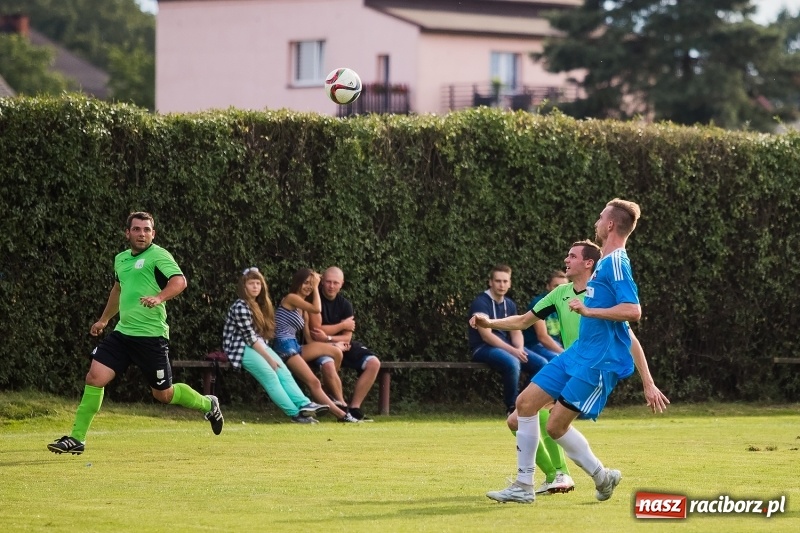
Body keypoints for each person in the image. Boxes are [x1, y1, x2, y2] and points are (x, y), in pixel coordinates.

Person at [473, 199, 669, 504]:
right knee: (524, 405)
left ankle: (600, 476)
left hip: (597, 360)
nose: (596, 221)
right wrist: (489, 321)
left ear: (610, 225)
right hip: (576, 353)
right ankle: (524, 486)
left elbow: (633, 311)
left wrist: (590, 314)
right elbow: (525, 319)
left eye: (601, 216)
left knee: (555, 426)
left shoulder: (616, 262)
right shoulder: (603, 263)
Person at [47, 212, 224, 455]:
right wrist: (104, 319)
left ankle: (208, 403)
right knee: (94, 377)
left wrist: (159, 297)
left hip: (151, 338)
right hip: (123, 335)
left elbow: (180, 281)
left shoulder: (158, 255)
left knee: (163, 394)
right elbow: (118, 290)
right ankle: (77, 438)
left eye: (147, 230)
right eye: (137, 229)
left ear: (154, 233)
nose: (142, 234)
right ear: (127, 233)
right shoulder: (120, 259)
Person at [222, 267, 330, 424]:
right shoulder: (241, 306)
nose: (255, 287)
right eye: (251, 283)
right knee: (270, 375)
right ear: (244, 286)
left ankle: (304, 404)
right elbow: (250, 338)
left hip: (257, 345)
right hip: (240, 348)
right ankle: (295, 414)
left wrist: (271, 357)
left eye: (258, 283)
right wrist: (269, 358)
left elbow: (259, 338)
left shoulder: (259, 305)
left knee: (283, 372)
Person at [272, 268, 360, 423]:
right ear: (298, 283)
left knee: (335, 353)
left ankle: (332, 396)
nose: (308, 287)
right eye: (306, 283)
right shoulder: (291, 298)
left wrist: (334, 344)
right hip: (284, 347)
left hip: (296, 346)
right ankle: (342, 415)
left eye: (311, 284)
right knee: (313, 382)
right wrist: (317, 287)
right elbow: (317, 308)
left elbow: (309, 339)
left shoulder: (303, 308)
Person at [468, 264, 553, 414]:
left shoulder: (510, 304)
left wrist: (519, 349)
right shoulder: (481, 302)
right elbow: (486, 336)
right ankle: (512, 407)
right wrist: (513, 351)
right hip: (483, 348)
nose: (502, 285)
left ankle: (526, 403)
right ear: (490, 282)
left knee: (542, 363)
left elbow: (516, 331)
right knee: (513, 362)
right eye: (498, 281)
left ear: (510, 283)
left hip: (506, 347)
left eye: (505, 281)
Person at [308, 266, 381, 422]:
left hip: (340, 345)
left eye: (335, 283)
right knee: (328, 363)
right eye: (328, 282)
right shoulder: (315, 300)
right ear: (322, 282)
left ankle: (354, 408)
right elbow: (315, 331)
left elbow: (347, 338)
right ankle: (342, 408)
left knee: (374, 363)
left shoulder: (345, 305)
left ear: (342, 284)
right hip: (317, 347)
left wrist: (328, 338)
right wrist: (341, 326)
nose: (331, 286)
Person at [522, 270, 568, 356]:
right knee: (560, 362)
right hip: (536, 345)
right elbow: (542, 337)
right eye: (556, 286)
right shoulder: (539, 304)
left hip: (554, 345)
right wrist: (563, 352)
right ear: (548, 287)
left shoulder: (564, 304)